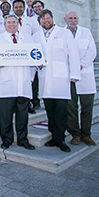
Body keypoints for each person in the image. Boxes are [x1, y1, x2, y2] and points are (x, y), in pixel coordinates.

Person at [35, 9, 81, 153]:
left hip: (61, 79)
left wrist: (74, 73)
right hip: (46, 79)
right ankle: (54, 137)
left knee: (61, 112)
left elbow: (73, 54)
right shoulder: (36, 36)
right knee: (50, 111)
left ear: (52, 19)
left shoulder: (64, 33)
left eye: (48, 18)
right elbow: (34, 56)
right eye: (43, 19)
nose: (46, 21)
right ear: (40, 21)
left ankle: (60, 139)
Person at [0, 15, 36, 150]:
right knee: (5, 116)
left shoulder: (28, 39)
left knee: (23, 116)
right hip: (6, 84)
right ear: (4, 25)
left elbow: (34, 57)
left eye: (14, 22)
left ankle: (23, 139)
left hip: (23, 84)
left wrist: (31, 78)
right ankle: (7, 139)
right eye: (8, 22)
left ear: (18, 24)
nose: (11, 25)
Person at [64, 11, 97, 146]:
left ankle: (86, 134)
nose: (73, 20)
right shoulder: (61, 33)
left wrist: (81, 64)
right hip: (69, 75)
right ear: (65, 19)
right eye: (70, 18)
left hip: (85, 74)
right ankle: (75, 134)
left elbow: (92, 51)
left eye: (75, 18)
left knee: (87, 107)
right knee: (71, 107)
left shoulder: (86, 32)